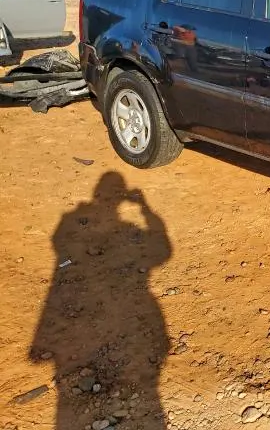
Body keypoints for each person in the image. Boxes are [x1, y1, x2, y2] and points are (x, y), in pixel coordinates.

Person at [30, 172, 171, 429]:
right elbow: (163, 251)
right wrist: (145, 210)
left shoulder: (71, 224)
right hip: (115, 311)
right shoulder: (116, 229)